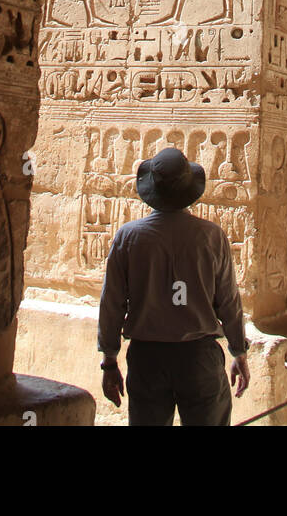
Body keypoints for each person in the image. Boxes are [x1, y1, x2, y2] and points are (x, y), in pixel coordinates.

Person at [97, 146, 250, 426]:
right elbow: (228, 302)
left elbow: (112, 304)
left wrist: (109, 360)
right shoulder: (211, 236)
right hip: (199, 357)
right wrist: (239, 352)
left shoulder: (129, 237)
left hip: (148, 357)